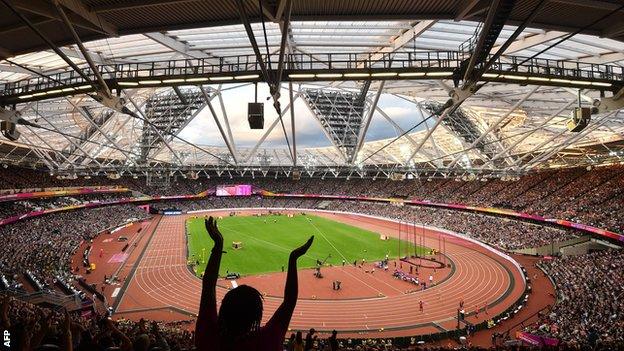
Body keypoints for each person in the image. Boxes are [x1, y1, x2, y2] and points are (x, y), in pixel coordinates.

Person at [195, 217, 314, 351]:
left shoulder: (208, 338)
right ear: (257, 317)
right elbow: (290, 301)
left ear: (223, 309)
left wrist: (218, 245)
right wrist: (293, 258)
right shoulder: (267, 341)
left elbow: (208, 286)